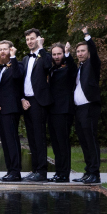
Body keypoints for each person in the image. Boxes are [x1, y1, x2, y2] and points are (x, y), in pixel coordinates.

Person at [21, 28, 53, 181]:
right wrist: (22, 98)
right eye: (27, 39)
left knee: (39, 137)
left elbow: (48, 66)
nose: (29, 42)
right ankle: (35, 169)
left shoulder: (44, 56)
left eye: (32, 38)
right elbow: (21, 81)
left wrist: (41, 48)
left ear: (39, 39)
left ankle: (42, 172)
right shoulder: (26, 59)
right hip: (27, 102)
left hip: (39, 101)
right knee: (31, 138)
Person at [0, 40, 26, 182]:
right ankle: (9, 170)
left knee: (12, 140)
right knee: (5, 141)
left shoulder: (17, 65)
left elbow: (18, 76)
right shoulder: (2, 68)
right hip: (1, 110)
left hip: (11, 109)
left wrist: (13, 56)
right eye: (0, 49)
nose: (2, 52)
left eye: (5, 49)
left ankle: (16, 172)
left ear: (11, 50)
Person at [73, 27, 102, 184]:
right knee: (83, 141)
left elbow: (94, 51)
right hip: (79, 109)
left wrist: (86, 35)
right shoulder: (80, 68)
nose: (80, 54)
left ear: (88, 52)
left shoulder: (93, 64)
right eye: (78, 51)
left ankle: (95, 173)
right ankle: (88, 171)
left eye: (83, 51)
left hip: (90, 107)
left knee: (90, 140)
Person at [47, 42, 77, 183]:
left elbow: (72, 67)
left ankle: (65, 174)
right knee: (56, 144)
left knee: (62, 143)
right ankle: (59, 172)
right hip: (52, 111)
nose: (57, 56)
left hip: (64, 110)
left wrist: (67, 53)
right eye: (54, 54)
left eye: (59, 54)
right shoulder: (52, 70)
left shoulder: (68, 68)